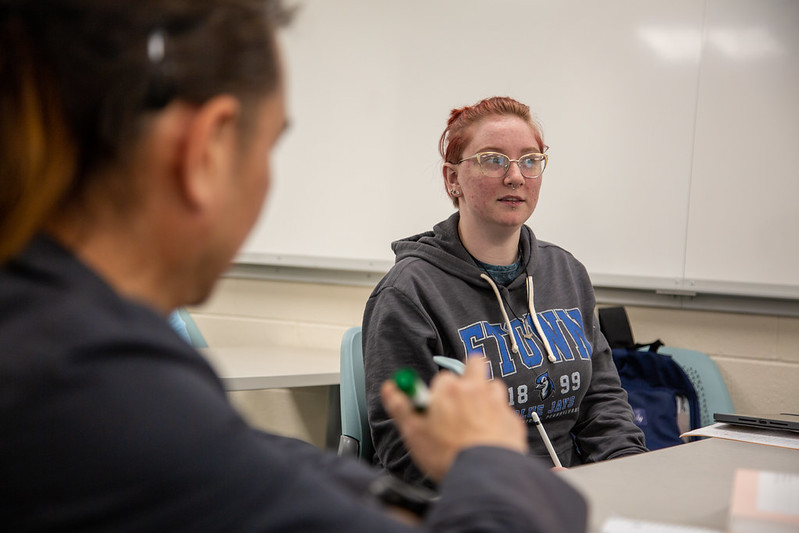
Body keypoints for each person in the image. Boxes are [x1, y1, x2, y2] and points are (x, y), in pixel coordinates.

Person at [0, 2, 587, 531]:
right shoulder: (101, 388)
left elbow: (241, 454)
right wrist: (491, 460)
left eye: (530, 161)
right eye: (268, 147)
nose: (515, 176)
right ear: (206, 151)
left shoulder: (56, 331)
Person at [363, 96, 648, 488]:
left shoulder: (566, 273)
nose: (515, 176)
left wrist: (629, 474)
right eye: (492, 159)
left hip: (572, 493)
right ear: (452, 179)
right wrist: (517, 487)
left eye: (530, 160)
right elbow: (406, 446)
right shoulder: (407, 293)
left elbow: (602, 401)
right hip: (470, 503)